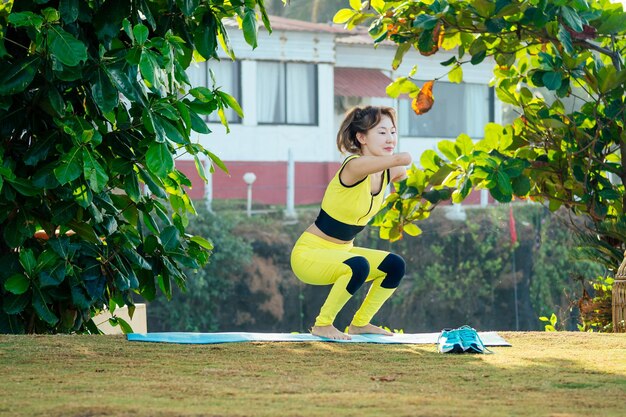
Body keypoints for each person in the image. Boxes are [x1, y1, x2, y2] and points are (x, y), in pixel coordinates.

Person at [290, 106, 412, 340]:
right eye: (382, 132)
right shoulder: (353, 166)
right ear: (361, 137)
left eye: (393, 132)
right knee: (359, 264)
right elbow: (401, 158)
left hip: (343, 253)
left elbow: (413, 191)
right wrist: (402, 161)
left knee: (394, 265)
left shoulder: (390, 170)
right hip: (310, 255)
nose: (390, 139)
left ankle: (360, 324)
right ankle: (323, 324)